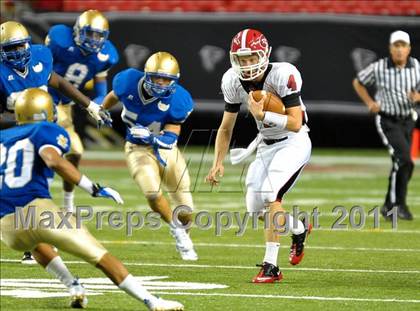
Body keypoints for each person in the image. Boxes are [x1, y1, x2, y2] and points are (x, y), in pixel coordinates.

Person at [0, 88, 184, 311]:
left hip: (7, 226)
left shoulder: (3, 138)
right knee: (99, 255)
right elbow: (53, 160)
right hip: (38, 211)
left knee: (36, 245)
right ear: (48, 112)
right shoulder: (46, 129)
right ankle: (152, 301)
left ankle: (74, 285)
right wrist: (93, 188)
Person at [0, 20, 112, 264]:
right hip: (13, 136)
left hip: (41, 131)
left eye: (21, 46)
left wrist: (89, 104)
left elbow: (59, 82)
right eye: (11, 49)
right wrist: (19, 119)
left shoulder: (40, 57)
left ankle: (35, 244)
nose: (18, 53)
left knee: (36, 186)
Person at [206, 29, 312, 283]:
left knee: (269, 195)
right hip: (265, 144)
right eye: (242, 59)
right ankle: (298, 228)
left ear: (264, 55)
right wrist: (217, 162)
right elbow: (226, 127)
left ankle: (271, 267)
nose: (247, 64)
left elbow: (296, 123)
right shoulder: (231, 80)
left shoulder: (283, 73)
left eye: (252, 58)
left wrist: (264, 116)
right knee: (255, 208)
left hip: (293, 142)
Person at [102, 51, 198, 261]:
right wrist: (101, 109)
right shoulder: (128, 81)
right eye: (157, 78)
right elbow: (113, 96)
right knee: (152, 193)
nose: (162, 83)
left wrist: (152, 137)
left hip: (165, 149)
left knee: (186, 209)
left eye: (167, 79)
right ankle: (177, 231)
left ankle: (184, 233)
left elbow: (171, 138)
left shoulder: (179, 99)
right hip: (137, 149)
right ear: (146, 75)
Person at [45, 9, 119, 214]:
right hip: (43, 100)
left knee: (75, 152)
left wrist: (98, 104)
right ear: (78, 30)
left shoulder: (106, 55)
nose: (94, 39)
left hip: (66, 107)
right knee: (44, 152)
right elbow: (42, 68)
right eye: (89, 33)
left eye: (99, 35)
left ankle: (68, 204)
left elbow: (101, 88)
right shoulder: (59, 39)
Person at [353, 30, 419, 221]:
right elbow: (359, 82)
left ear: (408, 49)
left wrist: (418, 97)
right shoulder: (379, 67)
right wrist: (370, 103)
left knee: (402, 163)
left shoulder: (416, 67)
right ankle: (396, 206)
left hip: (407, 119)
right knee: (404, 160)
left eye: (403, 46)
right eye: (396, 46)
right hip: (388, 120)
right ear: (391, 48)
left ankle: (391, 205)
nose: (399, 50)